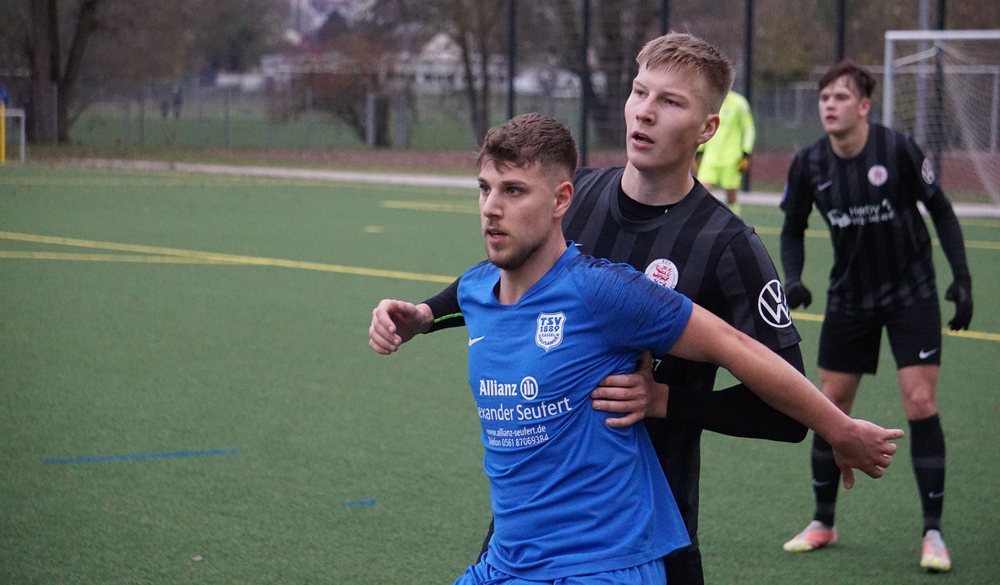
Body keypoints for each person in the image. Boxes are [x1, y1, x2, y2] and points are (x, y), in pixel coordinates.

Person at [370, 112, 903, 585]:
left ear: (561, 200)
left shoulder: (603, 289)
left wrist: (839, 428)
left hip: (602, 564)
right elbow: (470, 296)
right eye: (485, 188)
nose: (491, 208)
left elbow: (734, 344)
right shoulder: (476, 288)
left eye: (513, 191)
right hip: (507, 561)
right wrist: (421, 317)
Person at [779, 59, 973, 573]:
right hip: (850, 295)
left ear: (864, 105)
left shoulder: (898, 149)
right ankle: (823, 521)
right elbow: (793, 226)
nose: (830, 105)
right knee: (831, 405)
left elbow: (942, 210)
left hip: (911, 291)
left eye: (841, 97)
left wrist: (962, 278)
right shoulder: (810, 163)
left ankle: (932, 533)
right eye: (824, 97)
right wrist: (793, 277)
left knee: (919, 399)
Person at [695, 89, 756, 215]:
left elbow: (749, 129)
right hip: (710, 157)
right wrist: (700, 150)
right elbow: (705, 127)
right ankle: (703, 222)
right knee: (702, 192)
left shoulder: (739, 103)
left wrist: (746, 151)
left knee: (731, 197)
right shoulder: (710, 102)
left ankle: (734, 223)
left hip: (731, 158)